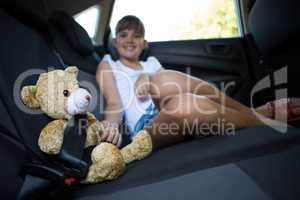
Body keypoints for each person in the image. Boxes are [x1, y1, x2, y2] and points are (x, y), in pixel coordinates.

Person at [96, 15, 300, 149]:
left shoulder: (151, 62)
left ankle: (250, 112)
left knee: (178, 94)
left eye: (137, 35)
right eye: (123, 35)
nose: (130, 39)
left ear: (145, 43)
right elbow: (115, 105)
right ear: (115, 42)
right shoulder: (109, 64)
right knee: (177, 99)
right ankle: (262, 118)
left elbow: (172, 87)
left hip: (168, 106)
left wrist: (146, 77)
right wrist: (110, 125)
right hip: (147, 127)